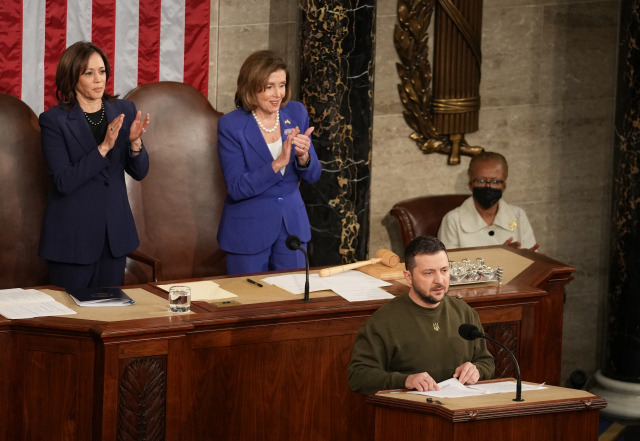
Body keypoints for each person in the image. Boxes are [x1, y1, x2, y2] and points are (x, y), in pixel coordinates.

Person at [38, 41, 150, 288]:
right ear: (72, 78)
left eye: (102, 71)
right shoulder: (53, 121)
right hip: (72, 240)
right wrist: (103, 148)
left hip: (114, 237)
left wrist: (135, 143)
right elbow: (63, 182)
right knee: (73, 318)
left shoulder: (124, 110)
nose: (99, 79)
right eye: (89, 73)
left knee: (108, 317)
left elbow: (140, 172)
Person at [217, 50, 321, 274]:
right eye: (269, 86)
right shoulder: (231, 125)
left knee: (292, 302)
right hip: (248, 232)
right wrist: (278, 163)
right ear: (251, 87)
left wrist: (304, 157)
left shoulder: (296, 112)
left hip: (292, 229)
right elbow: (237, 188)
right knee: (249, 304)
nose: (278, 94)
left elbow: (313, 175)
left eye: (282, 85)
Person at [347, 236, 494, 395]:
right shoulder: (383, 321)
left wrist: (477, 370)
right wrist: (405, 381)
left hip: (460, 409)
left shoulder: (464, 312)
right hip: (411, 414)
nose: (439, 280)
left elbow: (486, 362)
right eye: (429, 273)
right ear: (408, 277)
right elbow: (358, 376)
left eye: (444, 270)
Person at [438, 151, 540, 250]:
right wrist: (498, 256)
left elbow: (531, 256)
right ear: (470, 185)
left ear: (503, 186)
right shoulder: (453, 220)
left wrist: (534, 260)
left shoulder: (518, 215)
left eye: (495, 181)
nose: (488, 186)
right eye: (481, 181)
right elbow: (447, 264)